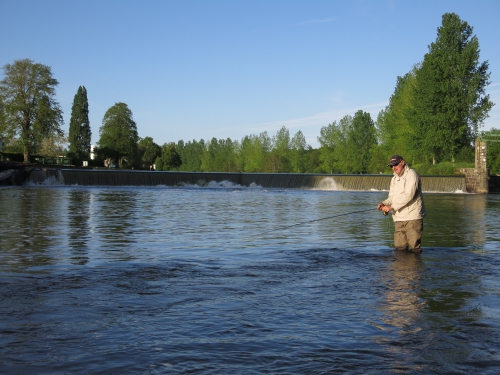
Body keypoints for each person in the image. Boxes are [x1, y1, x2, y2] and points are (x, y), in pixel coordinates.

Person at [377, 155, 426, 253]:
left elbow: (409, 195)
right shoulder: (394, 179)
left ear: (402, 162)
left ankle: (414, 268)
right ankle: (400, 269)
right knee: (399, 249)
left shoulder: (412, 174)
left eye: (395, 165)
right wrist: (383, 203)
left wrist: (391, 207)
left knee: (414, 249)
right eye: (391, 166)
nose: (393, 168)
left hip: (412, 217)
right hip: (398, 218)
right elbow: (392, 197)